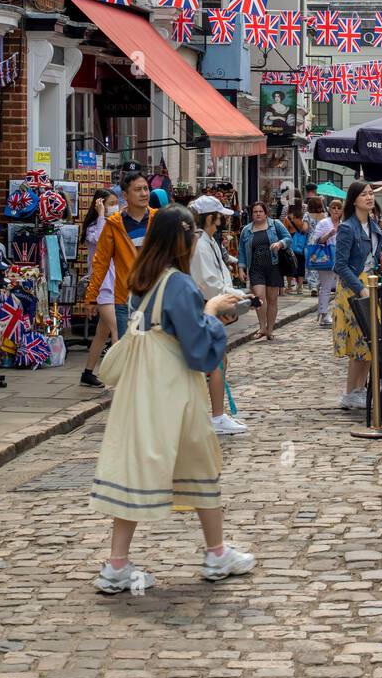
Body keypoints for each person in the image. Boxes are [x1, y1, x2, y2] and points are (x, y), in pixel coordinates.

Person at [90, 204, 255, 591]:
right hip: (173, 388)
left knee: (135, 465)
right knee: (199, 460)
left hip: (141, 388)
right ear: (183, 238)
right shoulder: (178, 284)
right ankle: (215, 553)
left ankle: (118, 563)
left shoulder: (141, 278)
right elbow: (196, 346)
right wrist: (213, 310)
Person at [190, 195, 251, 436]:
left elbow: (220, 276)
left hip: (214, 305)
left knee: (218, 361)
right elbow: (209, 281)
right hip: (206, 306)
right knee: (215, 362)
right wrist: (239, 296)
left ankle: (215, 413)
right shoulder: (201, 244)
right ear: (210, 218)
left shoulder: (210, 241)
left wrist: (238, 295)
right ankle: (215, 416)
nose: (223, 221)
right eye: (219, 217)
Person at [332, 180, 382, 410]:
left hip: (371, 286)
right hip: (354, 290)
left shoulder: (373, 225)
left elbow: (378, 256)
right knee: (360, 343)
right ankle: (351, 392)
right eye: (364, 194)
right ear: (354, 199)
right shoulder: (347, 228)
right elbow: (340, 265)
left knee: (371, 342)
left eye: (370, 194)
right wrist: (360, 288)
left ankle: (358, 390)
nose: (369, 197)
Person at [84, 172, 157, 340]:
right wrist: (92, 296)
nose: (144, 193)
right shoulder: (114, 224)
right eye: (138, 189)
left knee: (151, 354)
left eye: (146, 189)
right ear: (125, 195)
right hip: (125, 299)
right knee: (128, 352)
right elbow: (101, 262)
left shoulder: (158, 219)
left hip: (155, 298)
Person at [80, 188, 118, 388]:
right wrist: (102, 215)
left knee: (102, 334)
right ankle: (120, 372)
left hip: (114, 282)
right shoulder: (94, 227)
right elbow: (100, 240)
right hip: (102, 284)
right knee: (117, 329)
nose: (115, 206)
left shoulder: (113, 225)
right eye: (111, 203)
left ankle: (88, 372)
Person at [238, 203, 291, 339]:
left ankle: (270, 330)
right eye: (255, 211)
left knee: (272, 299)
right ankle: (262, 326)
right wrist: (241, 268)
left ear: (265, 213)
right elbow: (242, 251)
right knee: (259, 297)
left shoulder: (275, 224)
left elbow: (288, 238)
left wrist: (280, 244)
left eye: (261, 211)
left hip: (273, 265)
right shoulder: (247, 230)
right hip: (255, 267)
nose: (258, 214)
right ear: (252, 214)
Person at [309, 198, 343, 327]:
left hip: (340, 258)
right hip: (325, 257)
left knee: (340, 287)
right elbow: (316, 240)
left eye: (338, 208)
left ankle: (338, 312)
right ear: (329, 209)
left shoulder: (344, 223)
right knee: (326, 287)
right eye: (333, 207)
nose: (336, 210)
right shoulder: (324, 223)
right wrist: (329, 234)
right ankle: (323, 313)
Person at [284, 196, 309, 295]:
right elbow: (305, 230)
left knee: (290, 265)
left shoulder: (288, 218)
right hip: (300, 245)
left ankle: (289, 286)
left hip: (290, 244)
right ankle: (300, 287)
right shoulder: (303, 218)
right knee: (301, 265)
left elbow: (284, 231)